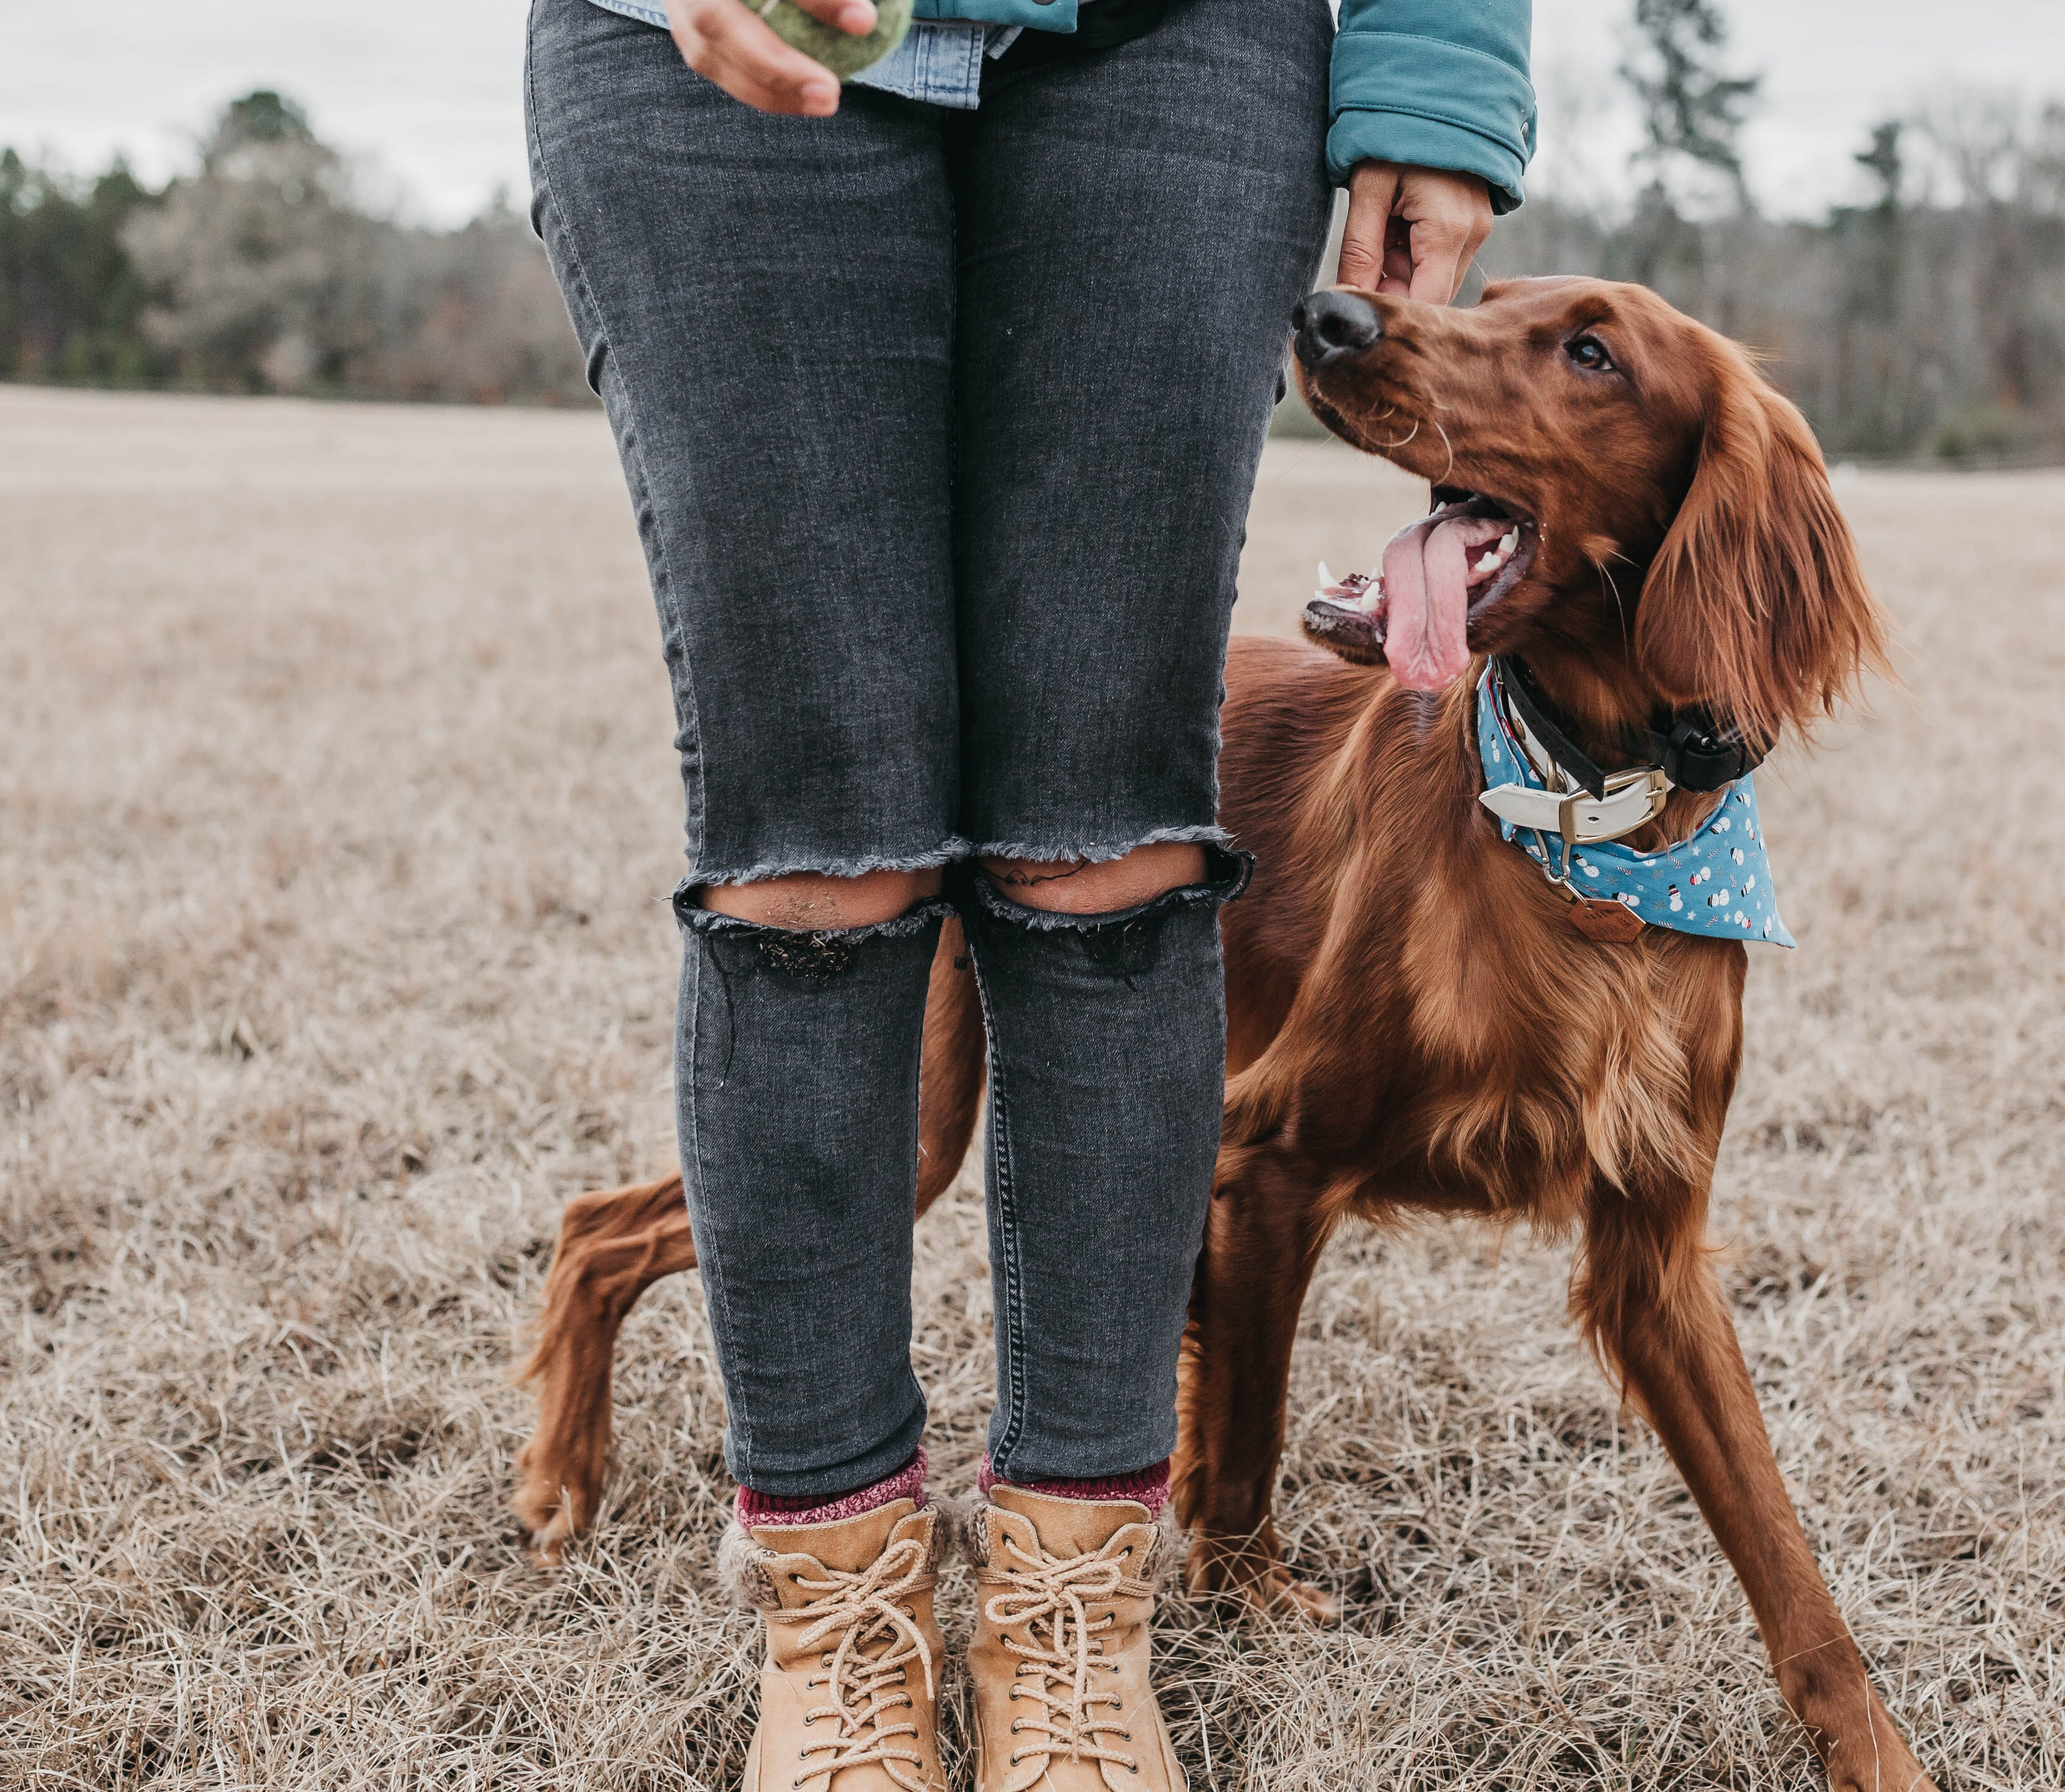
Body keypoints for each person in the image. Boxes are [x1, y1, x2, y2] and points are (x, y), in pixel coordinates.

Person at [523, 0, 1528, 1783]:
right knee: (812, 862)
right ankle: (839, 1634)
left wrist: (1441, 69)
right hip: (721, 56)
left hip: (1176, 46)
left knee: (1112, 855)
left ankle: (1075, 1622)